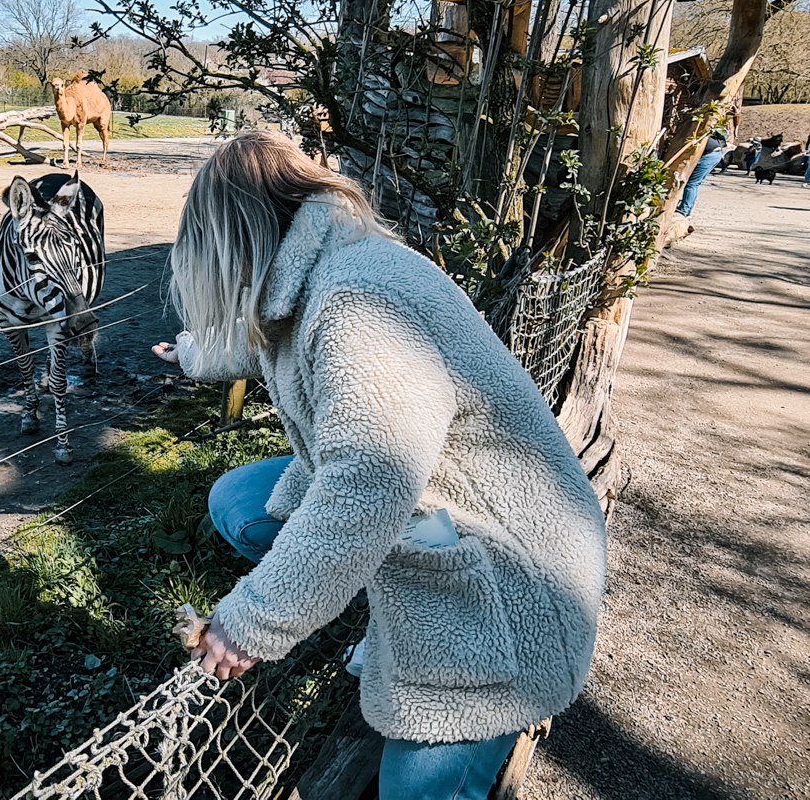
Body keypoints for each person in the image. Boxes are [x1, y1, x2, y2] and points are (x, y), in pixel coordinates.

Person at [155, 131, 606, 799]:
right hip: (439, 514)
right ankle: (367, 598)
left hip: (516, 585)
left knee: (412, 791)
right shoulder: (321, 267)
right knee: (241, 503)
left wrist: (254, 620)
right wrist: (193, 354)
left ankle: (441, 662)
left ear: (234, 242)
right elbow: (266, 345)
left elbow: (368, 480)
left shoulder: (356, 303)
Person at [678, 130, 728, 217]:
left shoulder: (700, 134)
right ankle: (687, 209)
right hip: (714, 154)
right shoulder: (704, 133)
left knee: (692, 183)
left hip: (711, 155)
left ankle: (684, 210)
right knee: (695, 183)